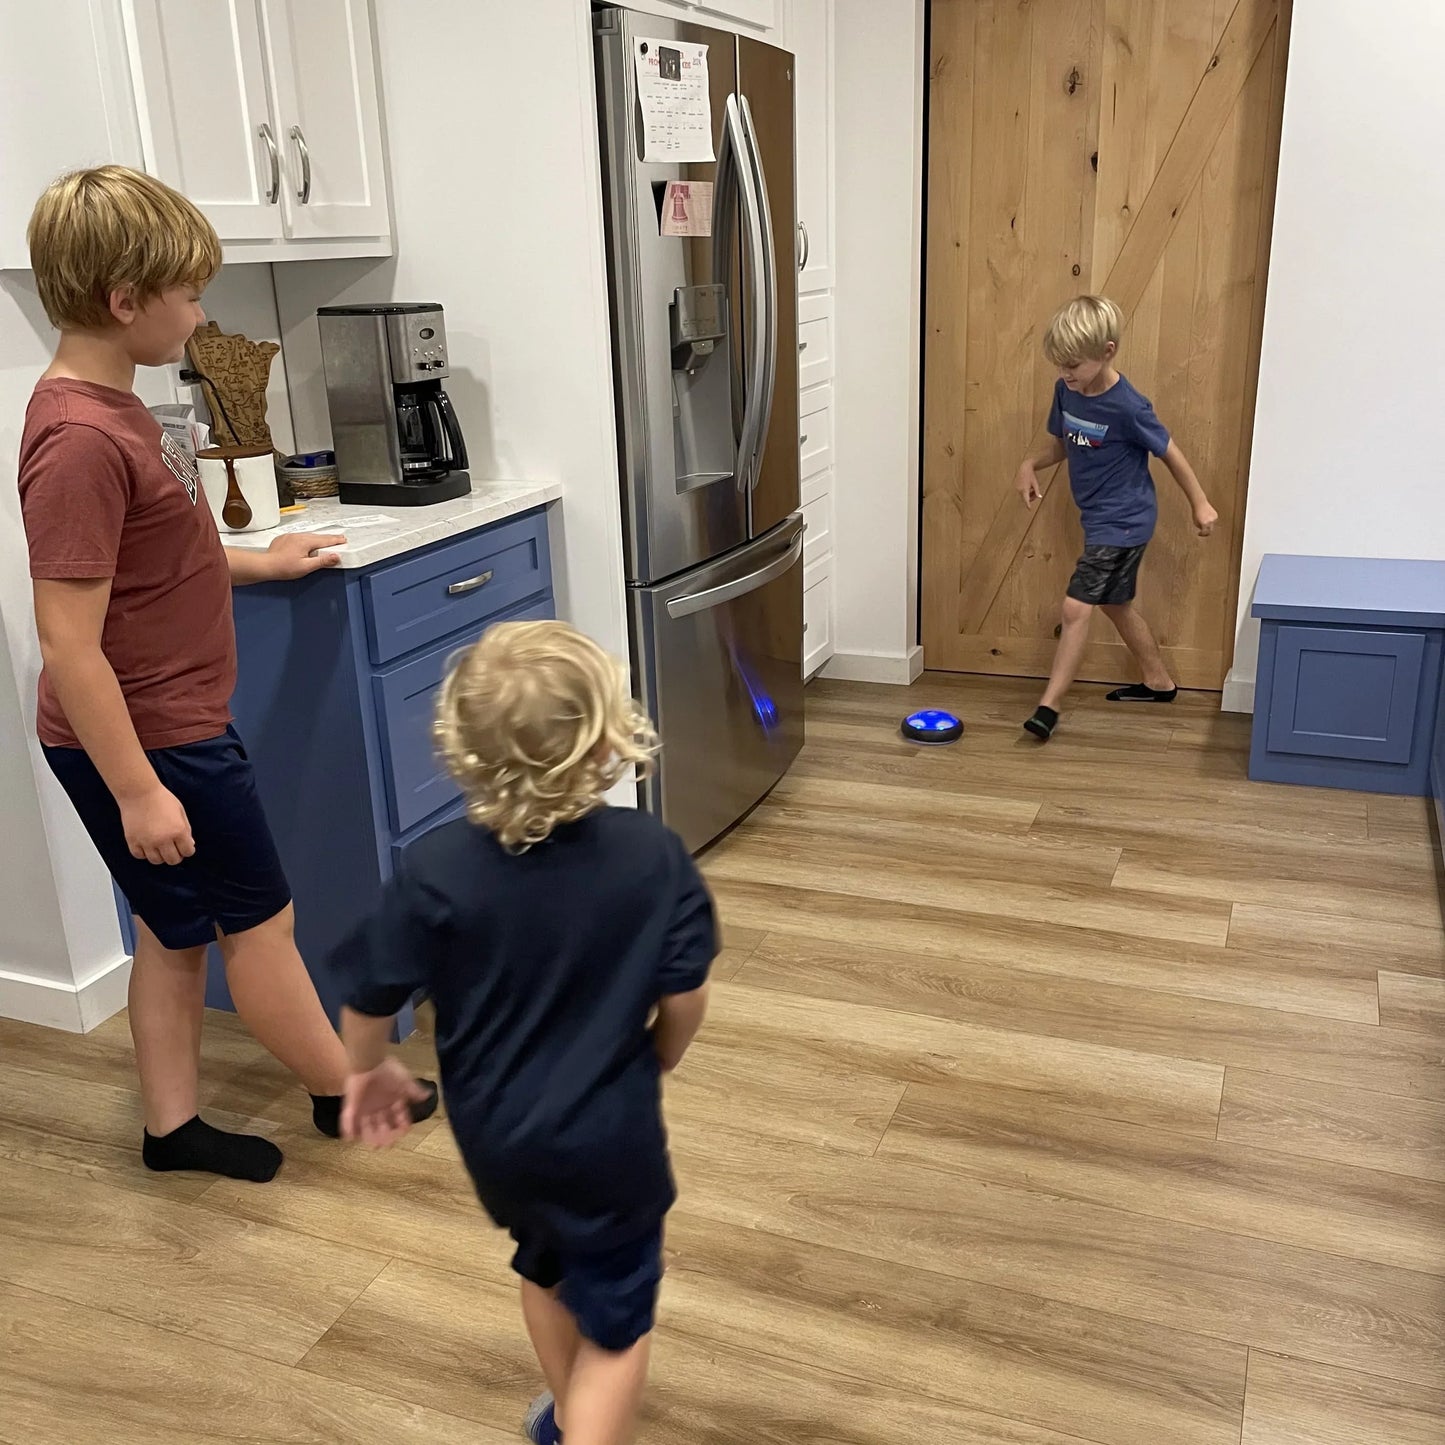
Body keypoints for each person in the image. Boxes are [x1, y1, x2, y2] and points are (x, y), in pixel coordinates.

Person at [17, 165, 436, 1183]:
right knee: (261, 925)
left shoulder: (116, 410)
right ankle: (346, 1090)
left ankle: (171, 1130)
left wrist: (256, 558)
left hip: (164, 728)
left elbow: (149, 562)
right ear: (125, 302)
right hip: (159, 743)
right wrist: (138, 788)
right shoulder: (76, 437)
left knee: (175, 931)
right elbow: (68, 640)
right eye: (190, 294)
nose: (201, 315)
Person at [336, 620, 716, 1445]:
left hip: (499, 1141)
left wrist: (365, 1073)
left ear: (461, 745)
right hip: (608, 1141)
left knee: (544, 1264)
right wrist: (658, 1056)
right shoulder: (652, 856)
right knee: (619, 1327)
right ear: (604, 738)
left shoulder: (433, 871)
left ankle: (565, 1416)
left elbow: (368, 1002)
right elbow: (684, 998)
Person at [1014, 295, 1218, 742]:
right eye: (1060, 365)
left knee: (1075, 606)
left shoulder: (1129, 406)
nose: (1066, 373)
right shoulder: (1067, 391)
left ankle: (1049, 706)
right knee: (1113, 603)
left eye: (1074, 364)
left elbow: (1170, 453)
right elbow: (1064, 444)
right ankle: (1158, 681)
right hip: (1101, 519)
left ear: (1107, 351)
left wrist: (1199, 503)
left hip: (1125, 520)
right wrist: (1029, 464)